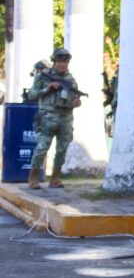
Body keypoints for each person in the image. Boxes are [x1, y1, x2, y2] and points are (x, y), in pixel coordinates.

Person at [25, 49, 84, 189]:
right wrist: (48, 89)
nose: (62, 64)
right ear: (54, 62)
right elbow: (31, 95)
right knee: (42, 148)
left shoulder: (71, 80)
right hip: (47, 119)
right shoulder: (43, 77)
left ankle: (55, 178)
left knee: (62, 150)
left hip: (66, 119)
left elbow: (74, 98)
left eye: (65, 62)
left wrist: (77, 103)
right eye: (59, 61)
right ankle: (33, 178)